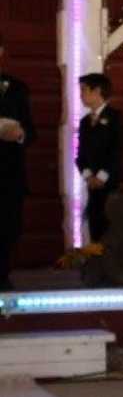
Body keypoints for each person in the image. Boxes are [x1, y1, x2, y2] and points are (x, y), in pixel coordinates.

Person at [0, 32, 36, 291]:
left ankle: (3, 274)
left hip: (9, 174)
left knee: (8, 226)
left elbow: (32, 131)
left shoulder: (18, 87)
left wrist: (20, 134)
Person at [77, 73, 123, 242]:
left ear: (97, 90)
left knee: (111, 227)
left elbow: (117, 150)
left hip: (112, 184)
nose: (81, 95)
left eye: (84, 90)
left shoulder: (115, 117)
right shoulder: (84, 122)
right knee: (95, 226)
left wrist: (101, 177)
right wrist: (88, 175)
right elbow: (81, 155)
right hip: (93, 185)